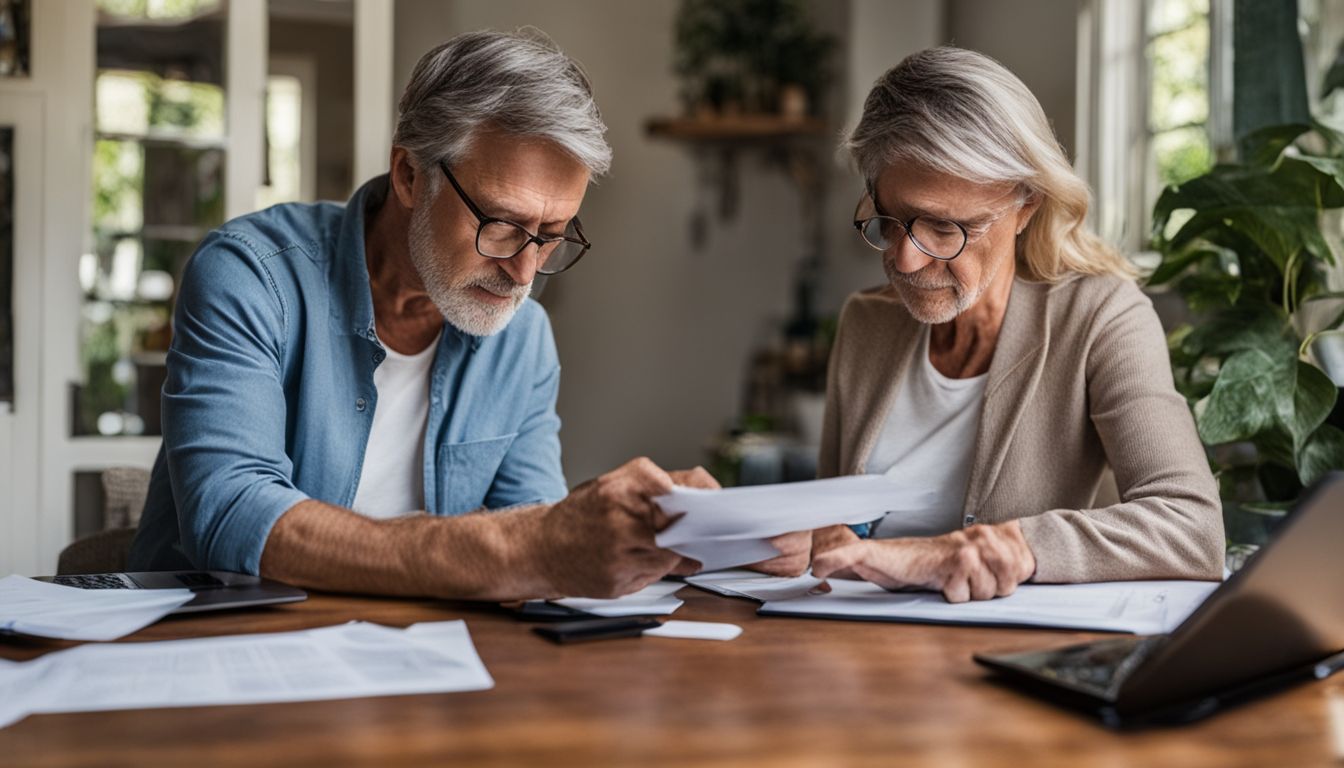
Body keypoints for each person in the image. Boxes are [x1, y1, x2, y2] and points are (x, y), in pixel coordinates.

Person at [129, 29, 807, 599]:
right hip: (216, 660)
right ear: (409, 176)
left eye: (552, 235)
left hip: (423, 669)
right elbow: (228, 513)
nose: (523, 269)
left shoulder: (524, 339)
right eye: (503, 224)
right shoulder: (251, 275)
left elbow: (533, 533)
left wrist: (650, 525)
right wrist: (513, 547)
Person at [809, 47, 1224, 603]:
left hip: (1001, 665)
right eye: (891, 219)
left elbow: (1191, 529)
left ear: (1026, 204)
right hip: (853, 649)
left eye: (945, 227)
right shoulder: (867, 321)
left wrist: (996, 548)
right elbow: (830, 530)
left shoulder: (1101, 318)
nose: (905, 261)